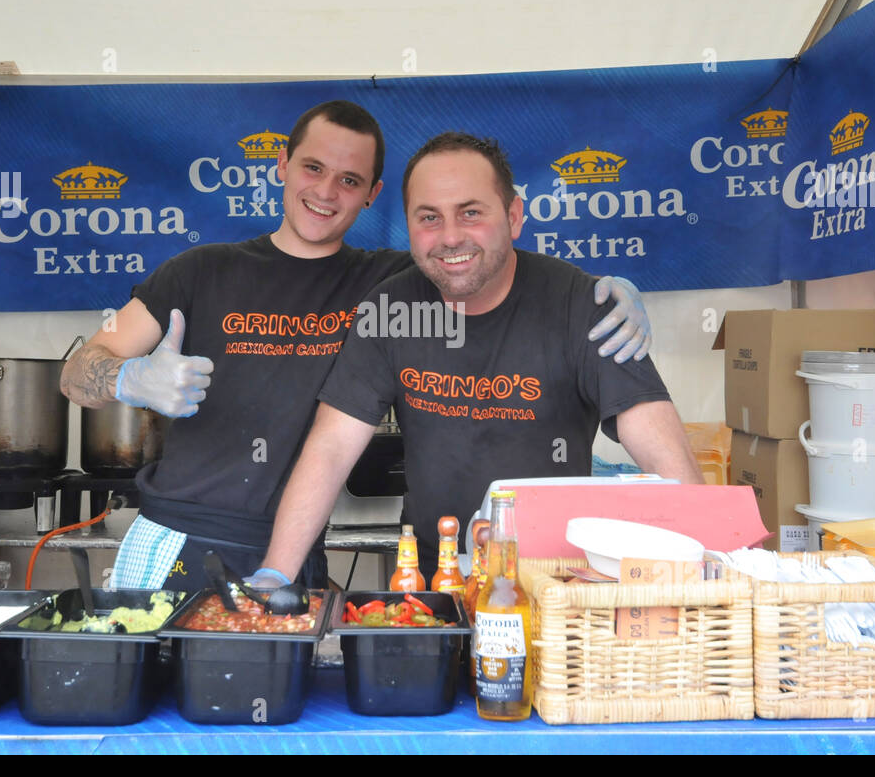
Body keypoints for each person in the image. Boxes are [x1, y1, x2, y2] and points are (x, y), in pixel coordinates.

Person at [61, 104, 656, 594]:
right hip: (176, 533)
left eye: (348, 180)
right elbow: (75, 372)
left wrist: (607, 291)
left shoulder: (394, 283)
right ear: (281, 166)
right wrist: (126, 379)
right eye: (312, 168)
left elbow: (480, 262)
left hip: (294, 546)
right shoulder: (198, 273)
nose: (326, 192)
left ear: (371, 196)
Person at [258, 131, 703, 584]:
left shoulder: (584, 305)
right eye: (429, 217)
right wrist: (276, 573)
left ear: (513, 217)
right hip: (435, 582)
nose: (450, 237)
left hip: (555, 584)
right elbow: (331, 448)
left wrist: (714, 573)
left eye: (470, 213)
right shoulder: (391, 308)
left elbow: (661, 451)